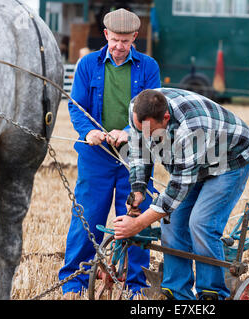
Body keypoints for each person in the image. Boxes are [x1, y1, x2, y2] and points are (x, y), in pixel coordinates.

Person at [113, 88, 249, 300]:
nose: (145, 136)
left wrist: (138, 224)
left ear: (166, 118)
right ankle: (177, 292)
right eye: (139, 128)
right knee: (171, 223)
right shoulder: (138, 108)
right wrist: (138, 188)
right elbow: (138, 150)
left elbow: (176, 191)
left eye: (150, 132)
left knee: (201, 223)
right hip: (195, 160)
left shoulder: (190, 129)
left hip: (229, 160)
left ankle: (212, 293)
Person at [58, 8, 161, 298]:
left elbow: (153, 110)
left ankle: (136, 285)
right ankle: (74, 282)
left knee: (135, 217)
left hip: (136, 155)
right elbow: (76, 107)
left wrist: (130, 132)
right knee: (88, 217)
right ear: (105, 35)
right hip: (95, 155)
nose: (119, 46)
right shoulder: (88, 64)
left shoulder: (149, 66)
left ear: (135, 38)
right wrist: (88, 132)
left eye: (125, 41)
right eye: (115, 39)